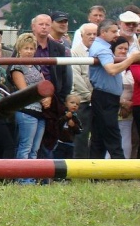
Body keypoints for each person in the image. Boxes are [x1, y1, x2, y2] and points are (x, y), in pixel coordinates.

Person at [88, 20, 140, 159]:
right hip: (105, 98)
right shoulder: (103, 49)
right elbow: (111, 70)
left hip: (104, 96)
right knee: (112, 135)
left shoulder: (101, 47)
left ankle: (95, 169)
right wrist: (132, 59)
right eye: (113, 31)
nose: (116, 34)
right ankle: (121, 168)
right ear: (103, 32)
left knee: (99, 137)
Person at [10, 33, 50, 184]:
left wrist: (48, 97)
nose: (29, 51)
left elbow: (45, 85)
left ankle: (30, 178)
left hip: (40, 111)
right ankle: (21, 178)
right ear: (19, 50)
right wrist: (42, 97)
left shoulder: (36, 66)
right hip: (26, 111)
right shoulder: (17, 67)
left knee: (35, 148)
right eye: (25, 48)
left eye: (31, 48)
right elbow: (24, 90)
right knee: (25, 146)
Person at [31, 13, 72, 161]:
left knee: (50, 139)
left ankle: (47, 172)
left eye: (47, 24)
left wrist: (58, 98)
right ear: (33, 27)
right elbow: (14, 71)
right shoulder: (25, 46)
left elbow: (64, 75)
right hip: (30, 98)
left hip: (53, 99)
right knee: (29, 141)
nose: (44, 27)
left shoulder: (58, 48)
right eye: (41, 24)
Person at [71, 22, 97, 158]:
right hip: (83, 101)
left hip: (98, 100)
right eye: (89, 34)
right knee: (81, 136)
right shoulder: (74, 52)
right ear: (82, 36)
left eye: (95, 34)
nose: (92, 36)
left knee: (98, 136)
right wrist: (90, 95)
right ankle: (80, 165)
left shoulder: (102, 51)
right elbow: (76, 77)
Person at [54, 93, 83, 159]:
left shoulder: (75, 117)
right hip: (59, 143)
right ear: (66, 103)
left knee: (68, 161)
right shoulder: (61, 114)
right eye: (72, 103)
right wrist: (65, 117)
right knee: (58, 160)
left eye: (77, 104)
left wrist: (74, 126)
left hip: (70, 144)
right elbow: (57, 125)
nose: (75, 105)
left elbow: (80, 130)